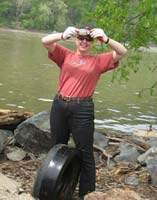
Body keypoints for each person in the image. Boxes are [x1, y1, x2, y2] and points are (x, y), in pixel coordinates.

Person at [41, 26, 127, 200]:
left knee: (84, 152)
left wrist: (106, 38)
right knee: (57, 147)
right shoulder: (66, 55)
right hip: (60, 104)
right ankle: (55, 189)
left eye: (88, 39)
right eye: (81, 38)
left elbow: (122, 52)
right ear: (76, 40)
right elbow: (45, 41)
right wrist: (63, 35)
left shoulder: (98, 61)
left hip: (82, 109)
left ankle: (87, 194)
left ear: (93, 42)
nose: (84, 42)